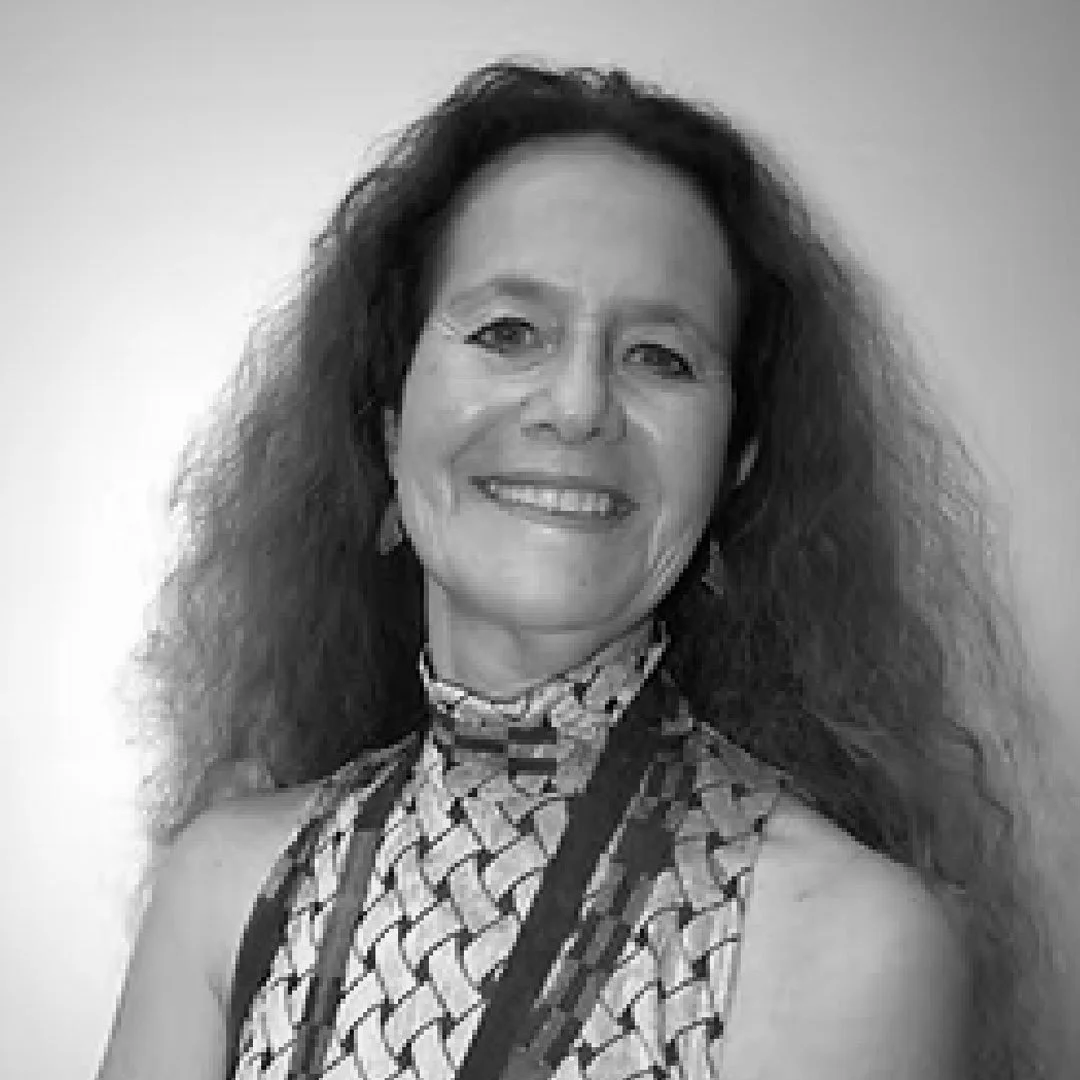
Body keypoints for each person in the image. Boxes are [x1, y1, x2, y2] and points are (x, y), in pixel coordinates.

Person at [96, 59, 1076, 1080]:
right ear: (391, 430)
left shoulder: (852, 946)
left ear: (735, 468)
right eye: (507, 332)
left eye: (659, 355)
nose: (575, 405)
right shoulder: (221, 889)